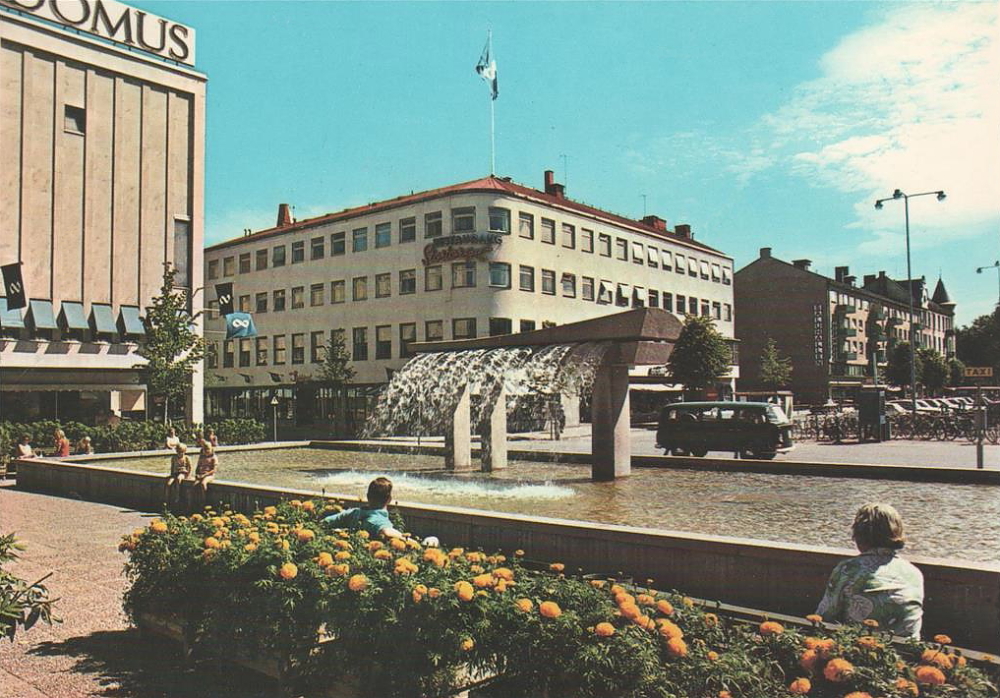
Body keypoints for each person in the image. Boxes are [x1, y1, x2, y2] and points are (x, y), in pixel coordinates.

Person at [815, 502, 924, 638]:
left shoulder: (848, 569)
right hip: (908, 653)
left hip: (862, 650)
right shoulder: (913, 572)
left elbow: (824, 619)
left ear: (859, 535)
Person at [322, 477, 404, 540]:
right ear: (389, 499)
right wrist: (409, 541)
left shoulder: (354, 512)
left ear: (368, 496)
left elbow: (326, 521)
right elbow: (387, 533)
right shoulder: (378, 519)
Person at [192, 437, 218, 503]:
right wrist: (197, 474)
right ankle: (195, 501)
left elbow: (214, 470)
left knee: (203, 483)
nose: (206, 451)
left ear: (211, 449)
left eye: (208, 449)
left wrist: (205, 475)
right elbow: (197, 467)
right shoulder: (202, 457)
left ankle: (204, 501)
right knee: (194, 485)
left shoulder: (213, 458)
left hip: (209, 475)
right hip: (201, 474)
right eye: (205, 449)